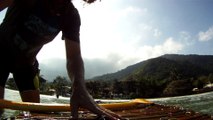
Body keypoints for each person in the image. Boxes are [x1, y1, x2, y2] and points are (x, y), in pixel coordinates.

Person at [0, 0, 121, 119]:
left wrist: (79, 86)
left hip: (26, 65)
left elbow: (74, 56)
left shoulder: (70, 15)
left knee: (37, 115)